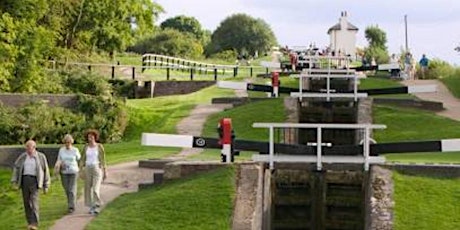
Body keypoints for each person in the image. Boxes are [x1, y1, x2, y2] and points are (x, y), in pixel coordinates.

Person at [11, 140, 50, 230]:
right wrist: (14, 181)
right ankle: (30, 222)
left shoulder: (41, 157)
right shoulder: (23, 156)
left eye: (30, 148)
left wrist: (46, 185)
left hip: (35, 181)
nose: (28, 150)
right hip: (25, 180)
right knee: (26, 202)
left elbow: (45, 170)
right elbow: (16, 167)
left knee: (34, 202)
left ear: (34, 147)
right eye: (27, 148)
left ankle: (35, 223)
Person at [79, 129, 107, 215]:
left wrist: (105, 171)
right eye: (88, 137)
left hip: (96, 168)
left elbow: (103, 159)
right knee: (87, 189)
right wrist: (81, 170)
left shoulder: (99, 147)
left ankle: (97, 205)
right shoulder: (85, 147)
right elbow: (82, 159)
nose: (90, 138)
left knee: (95, 189)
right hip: (88, 168)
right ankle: (91, 206)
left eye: (91, 137)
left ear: (95, 137)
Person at [54, 134, 81, 214]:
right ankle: (71, 202)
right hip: (64, 172)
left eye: (69, 142)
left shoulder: (75, 150)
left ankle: (71, 207)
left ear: (71, 142)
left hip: (73, 171)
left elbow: (79, 159)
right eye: (66, 142)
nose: (67, 144)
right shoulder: (61, 150)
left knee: (71, 189)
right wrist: (59, 166)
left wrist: (81, 168)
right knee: (66, 189)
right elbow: (59, 160)